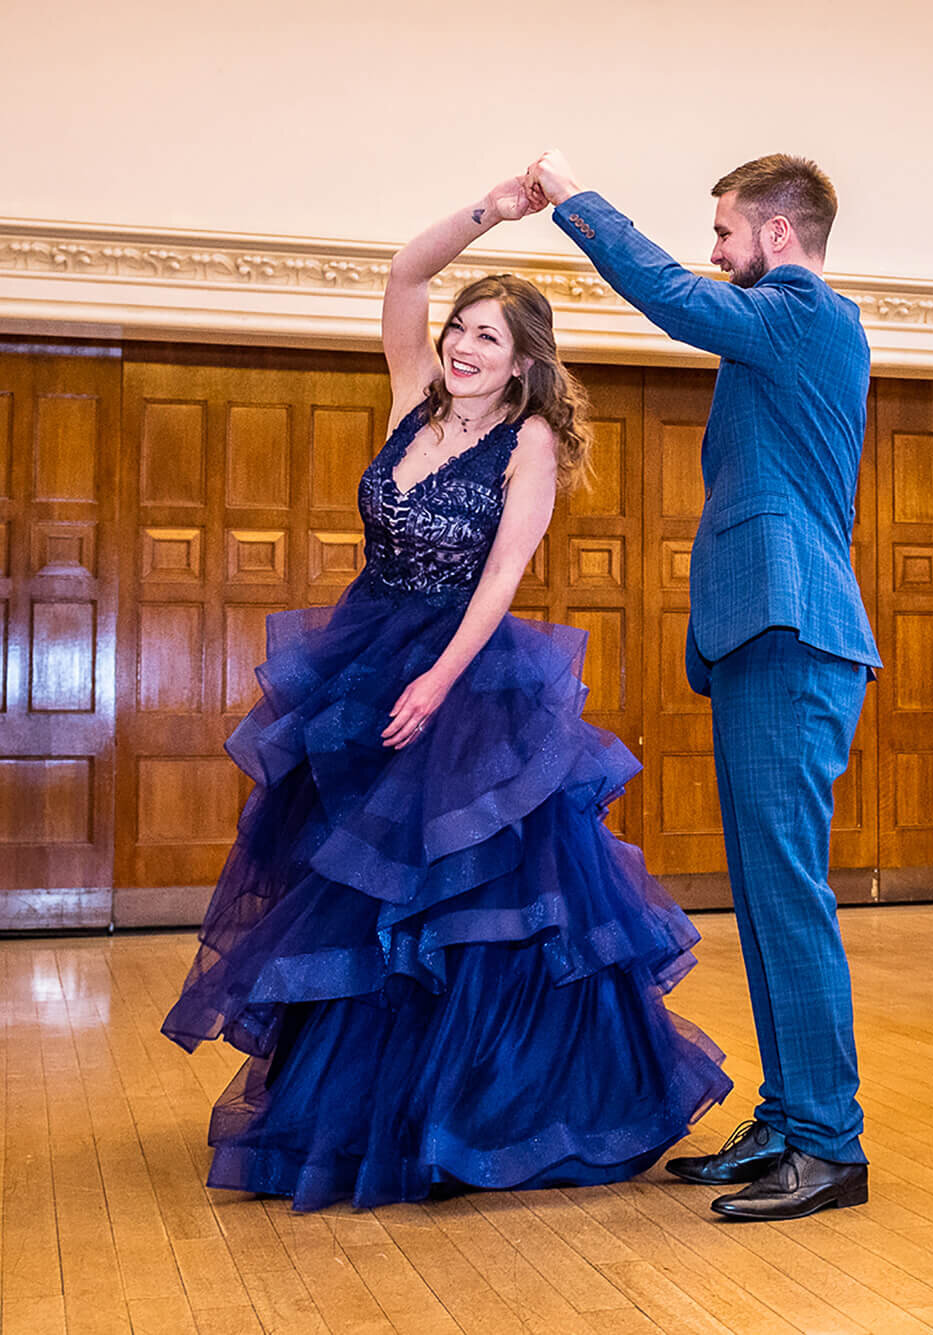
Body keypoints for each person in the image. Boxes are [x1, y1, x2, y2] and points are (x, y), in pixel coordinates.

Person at [160, 174, 731, 1212]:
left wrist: (437, 679)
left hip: (464, 677)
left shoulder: (530, 444)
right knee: (353, 892)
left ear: (523, 367)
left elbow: (502, 579)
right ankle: (361, 1105)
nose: (465, 349)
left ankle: (478, 1116)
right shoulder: (408, 398)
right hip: (363, 656)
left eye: (490, 341)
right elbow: (402, 271)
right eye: (462, 329)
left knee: (472, 903)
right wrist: (497, 207)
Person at [529, 148, 878, 1222]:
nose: (714, 248)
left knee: (789, 897)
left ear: (777, 233)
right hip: (762, 634)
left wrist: (572, 199)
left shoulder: (806, 309)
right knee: (769, 899)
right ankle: (788, 1121)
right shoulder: (774, 329)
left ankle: (829, 1144)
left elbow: (673, 299)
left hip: (792, 628)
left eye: (725, 228)